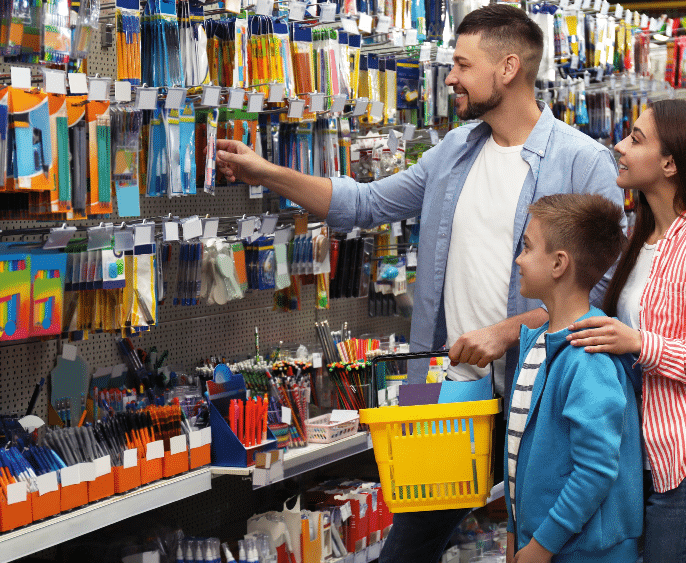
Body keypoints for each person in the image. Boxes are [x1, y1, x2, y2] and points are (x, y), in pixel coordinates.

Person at [214, 5, 622, 563]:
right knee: (409, 545)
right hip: (454, 390)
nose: (450, 77)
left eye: (461, 64)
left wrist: (506, 331)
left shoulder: (583, 162)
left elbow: (596, 297)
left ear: (507, 68)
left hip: (540, 393)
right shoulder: (456, 150)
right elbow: (362, 203)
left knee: (536, 542)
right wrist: (266, 172)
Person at [566, 99, 686, 563]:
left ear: (670, 163)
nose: (619, 147)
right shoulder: (642, 239)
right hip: (654, 466)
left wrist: (639, 343)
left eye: (636, 138)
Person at [505, 194, 641, 563]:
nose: (518, 259)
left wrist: (542, 545)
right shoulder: (537, 343)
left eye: (528, 248)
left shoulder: (587, 357)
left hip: (586, 553)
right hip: (544, 545)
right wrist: (516, 533)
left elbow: (595, 470)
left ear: (558, 264)